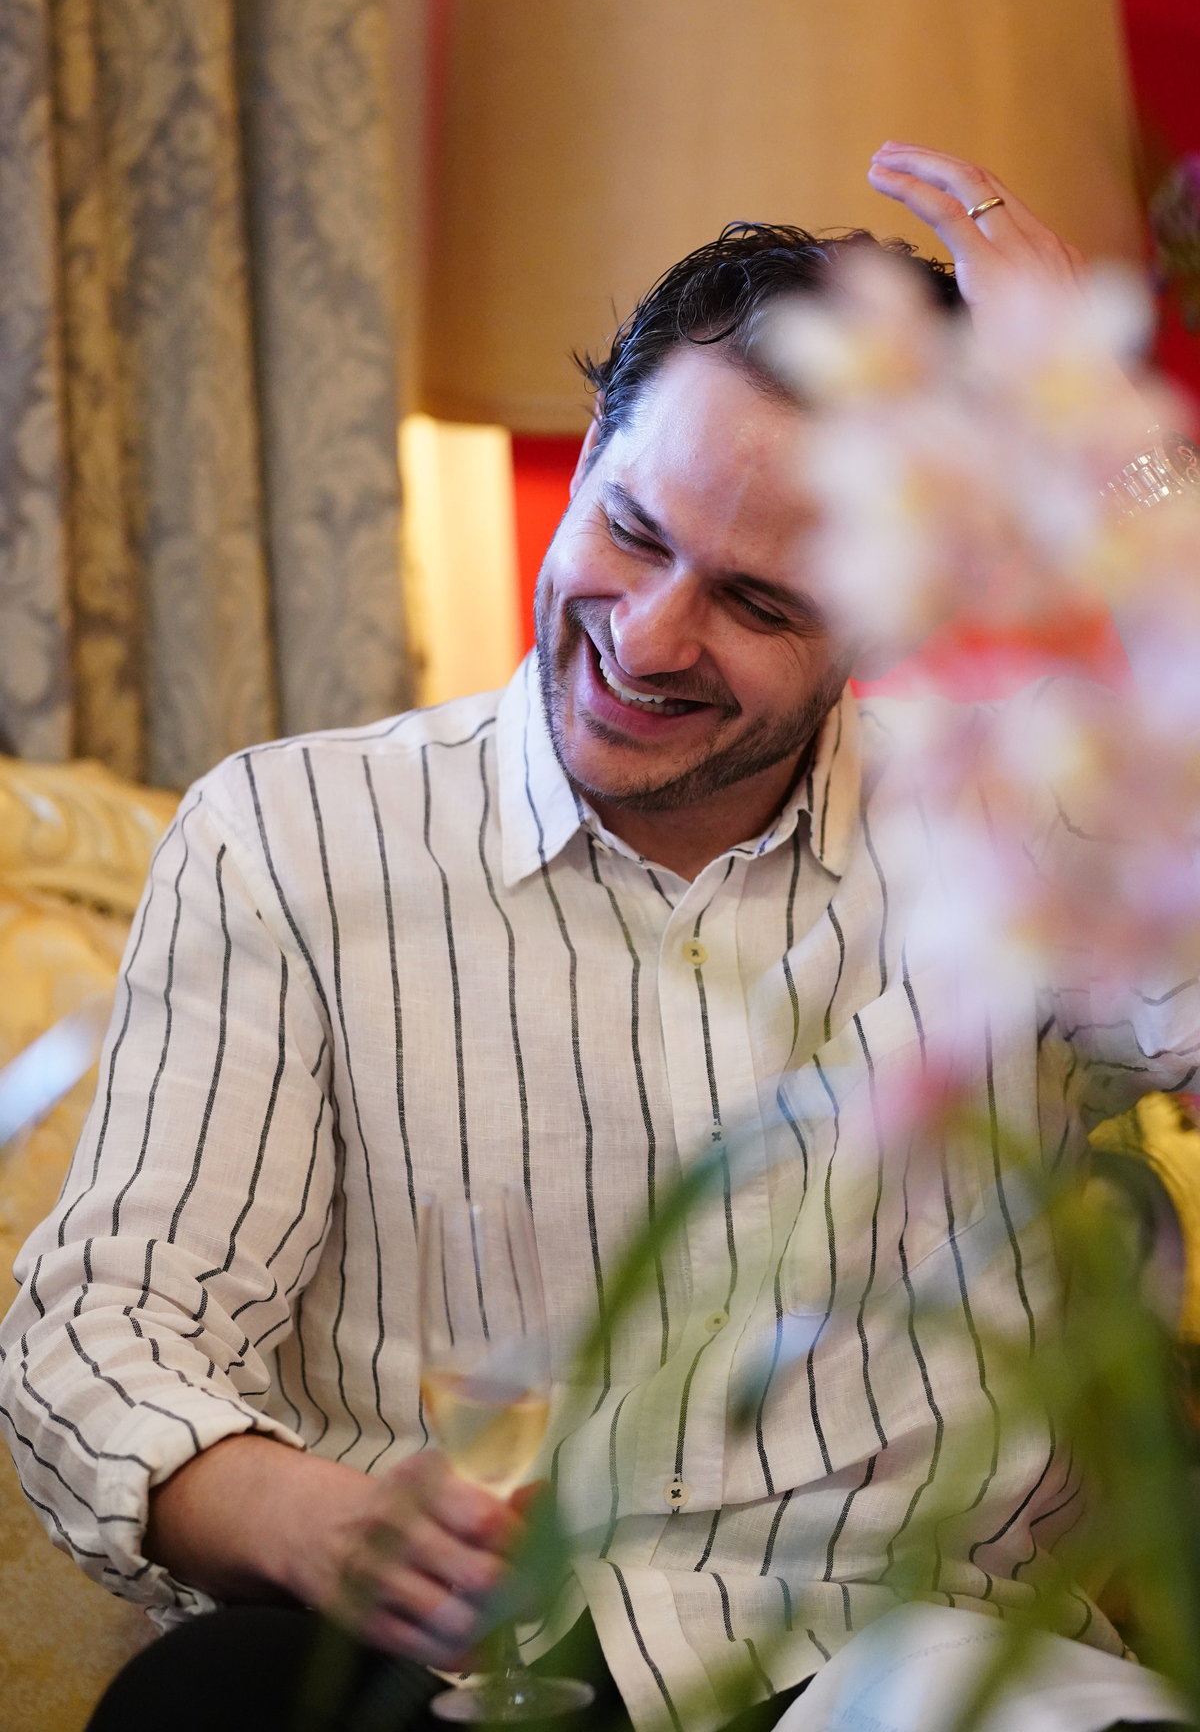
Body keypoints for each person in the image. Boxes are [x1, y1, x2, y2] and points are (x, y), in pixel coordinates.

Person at [1, 146, 1195, 1732]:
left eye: (758, 605)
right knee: (203, 1705)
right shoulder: (286, 836)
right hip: (452, 1667)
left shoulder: (1022, 814)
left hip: (904, 1658)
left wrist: (1114, 460)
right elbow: (106, 1325)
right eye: (632, 531)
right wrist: (303, 1518)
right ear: (587, 461)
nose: (647, 637)